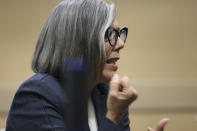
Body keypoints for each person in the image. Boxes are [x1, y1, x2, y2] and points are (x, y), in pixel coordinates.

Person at [6, 0, 168, 131]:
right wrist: (113, 116)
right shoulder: (37, 95)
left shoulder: (107, 92)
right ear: (78, 43)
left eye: (119, 34)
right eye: (110, 35)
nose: (120, 43)